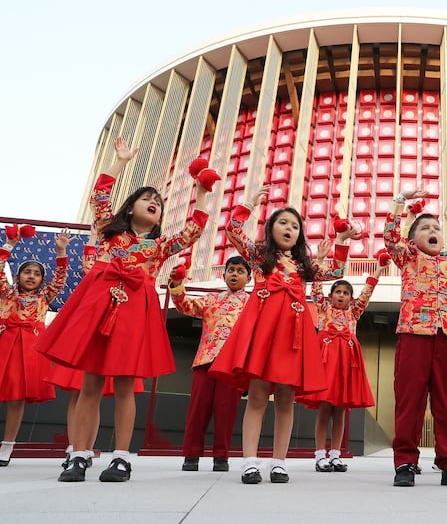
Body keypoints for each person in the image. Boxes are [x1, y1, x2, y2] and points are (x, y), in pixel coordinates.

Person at [38, 137, 211, 483]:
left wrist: (201, 189)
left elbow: (193, 231)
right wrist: (120, 162)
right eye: (146, 199)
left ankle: (121, 457)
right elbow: (100, 197)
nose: (154, 203)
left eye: (158, 203)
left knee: (124, 386)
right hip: (99, 307)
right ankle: (80, 454)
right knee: (90, 383)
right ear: (130, 208)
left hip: (133, 313)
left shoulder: (158, 247)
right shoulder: (108, 231)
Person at [208, 184, 356, 485]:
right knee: (258, 394)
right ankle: (250, 461)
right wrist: (248, 203)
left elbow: (335, 270)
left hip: (294, 333)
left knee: (287, 397)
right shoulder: (260, 254)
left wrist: (341, 240)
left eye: (295, 225)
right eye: (283, 222)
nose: (289, 228)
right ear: (271, 228)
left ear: (300, 235)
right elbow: (233, 230)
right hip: (264, 330)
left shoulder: (303, 265)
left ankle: (278, 462)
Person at [385, 188, 447, 488]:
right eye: (425, 228)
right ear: (412, 237)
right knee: (409, 401)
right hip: (413, 333)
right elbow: (390, 236)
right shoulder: (407, 257)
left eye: (437, 229)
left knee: (446, 402)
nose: (433, 232)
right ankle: (405, 461)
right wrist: (401, 201)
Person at [44, 228, 145, 469]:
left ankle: (91, 449)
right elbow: (89, 265)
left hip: (118, 335)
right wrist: (87, 242)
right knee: (82, 393)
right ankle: (75, 448)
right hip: (92, 334)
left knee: (103, 391)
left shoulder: (144, 260)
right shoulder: (102, 267)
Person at [297, 251, 387, 473]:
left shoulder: (354, 313)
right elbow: (316, 288)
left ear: (350, 298)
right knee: (324, 410)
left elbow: (368, 292)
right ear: (330, 296)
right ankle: (320, 455)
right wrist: (318, 263)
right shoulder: (323, 308)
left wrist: (378, 269)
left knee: (340, 412)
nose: (341, 295)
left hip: (346, 365)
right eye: (337, 291)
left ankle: (335, 455)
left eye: (346, 293)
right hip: (326, 363)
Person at [170, 255, 251, 473]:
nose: (234, 274)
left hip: (233, 367)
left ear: (249, 278)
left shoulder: (253, 304)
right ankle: (191, 455)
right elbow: (184, 306)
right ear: (223, 274)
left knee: (226, 413)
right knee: (197, 410)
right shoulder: (210, 300)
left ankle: (221, 457)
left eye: (240, 271)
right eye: (231, 270)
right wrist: (177, 284)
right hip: (205, 361)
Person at [0, 228, 70, 466]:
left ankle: (7, 445)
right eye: (27, 272)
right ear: (18, 276)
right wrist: (9, 244)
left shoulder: (44, 297)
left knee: (17, 397)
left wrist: (61, 250)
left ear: (42, 280)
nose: (31, 276)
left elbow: (60, 277)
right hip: (3, 344)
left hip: (27, 351)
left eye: (37, 273)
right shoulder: (6, 293)